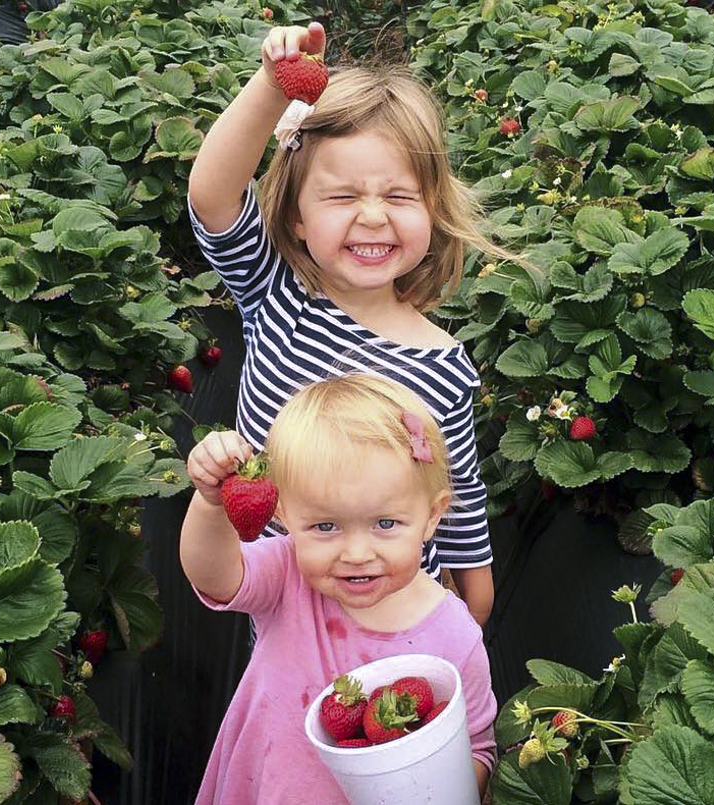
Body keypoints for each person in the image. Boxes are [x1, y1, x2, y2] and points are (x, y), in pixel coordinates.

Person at [186, 20, 515, 626]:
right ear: (299, 216)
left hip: (396, 604)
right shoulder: (279, 293)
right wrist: (270, 86)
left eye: (399, 196)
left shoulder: (442, 366)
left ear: (433, 211)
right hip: (283, 591)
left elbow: (459, 498)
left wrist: (473, 608)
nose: (372, 217)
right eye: (341, 197)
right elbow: (212, 197)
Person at [180, 373, 498, 804]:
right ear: (284, 517)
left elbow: (477, 748)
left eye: (385, 524)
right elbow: (212, 574)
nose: (356, 552)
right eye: (325, 527)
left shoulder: (455, 637)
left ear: (431, 516)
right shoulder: (287, 576)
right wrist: (212, 502)